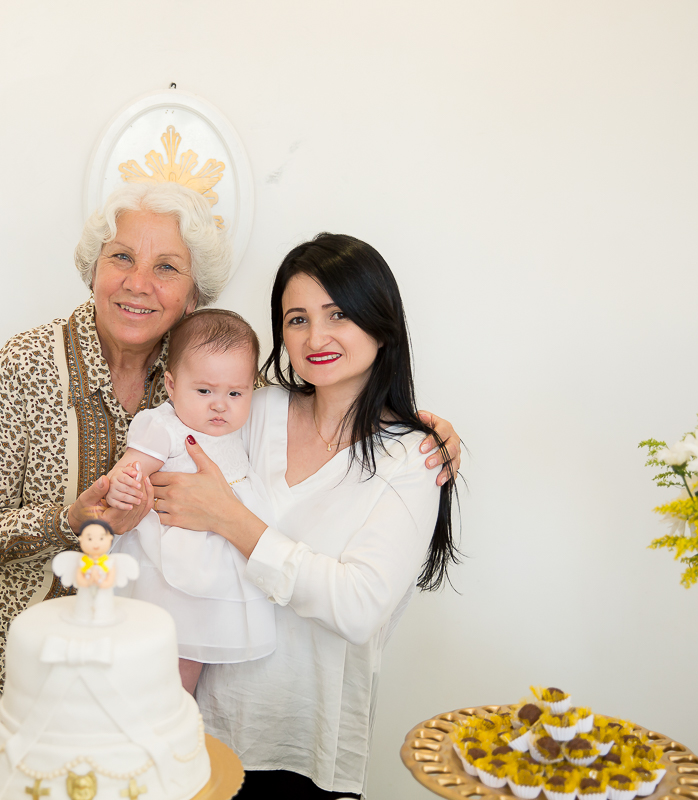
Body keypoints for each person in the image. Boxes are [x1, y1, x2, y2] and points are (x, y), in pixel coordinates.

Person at [0, 180, 463, 764]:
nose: (139, 283)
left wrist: (418, 428)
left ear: (193, 295)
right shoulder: (28, 364)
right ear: (93, 268)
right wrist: (71, 519)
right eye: (122, 258)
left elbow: (339, 408)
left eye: (167, 266)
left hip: (146, 681)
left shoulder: (222, 385)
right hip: (4, 655)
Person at [148, 233, 459, 799]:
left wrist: (231, 519)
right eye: (297, 319)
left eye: (338, 314)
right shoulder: (249, 409)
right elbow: (164, 435)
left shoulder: (411, 458)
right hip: (201, 730)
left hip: (305, 750)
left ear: (381, 321)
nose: (316, 337)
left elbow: (359, 606)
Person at [106, 309, 276, 695]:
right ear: (171, 384)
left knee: (192, 662)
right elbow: (130, 470)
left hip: (219, 571)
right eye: (204, 391)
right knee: (158, 659)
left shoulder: (243, 428)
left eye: (236, 393)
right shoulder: (164, 426)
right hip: (169, 568)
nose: (220, 405)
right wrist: (123, 486)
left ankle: (175, 723)